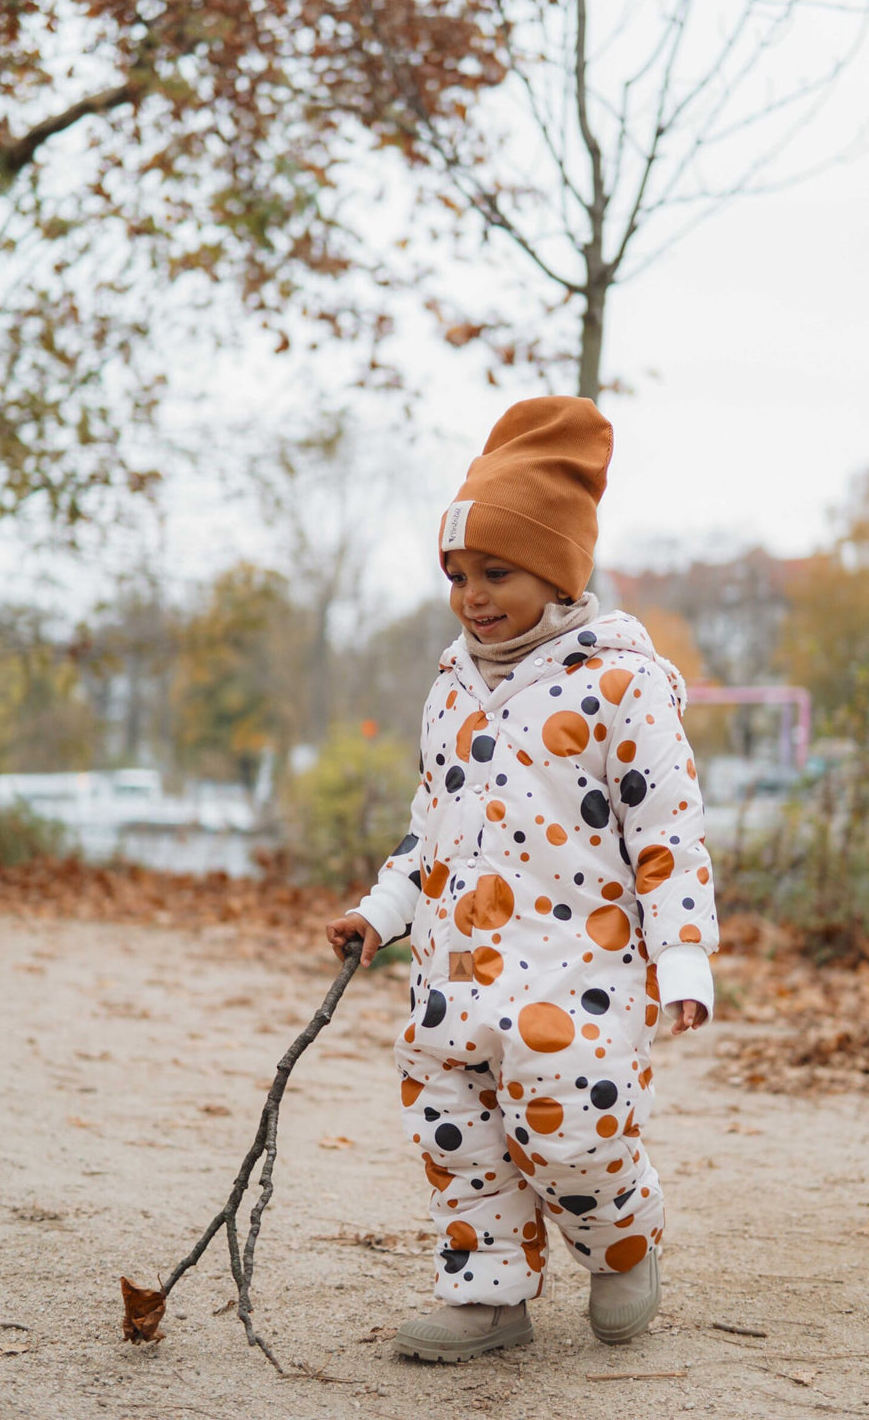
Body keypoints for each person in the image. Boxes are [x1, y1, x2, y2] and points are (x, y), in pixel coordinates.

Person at [327, 396, 718, 1363]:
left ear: (558, 569)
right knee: (456, 1135)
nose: (472, 594)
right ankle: (489, 1294)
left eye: (496, 571)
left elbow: (668, 833)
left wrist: (684, 957)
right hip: (454, 969)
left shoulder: (620, 686)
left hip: (575, 973)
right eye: (457, 574)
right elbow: (432, 830)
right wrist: (381, 913)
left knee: (573, 1130)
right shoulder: (451, 688)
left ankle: (621, 1240)